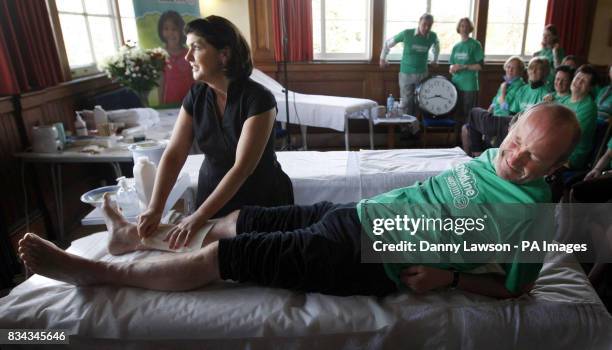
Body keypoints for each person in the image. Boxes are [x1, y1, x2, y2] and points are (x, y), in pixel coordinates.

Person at [18, 103, 581, 298]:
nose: (515, 160)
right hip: (357, 215)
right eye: (514, 143)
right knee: (241, 219)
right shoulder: (487, 157)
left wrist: (451, 281)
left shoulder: (531, 215)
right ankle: (131, 238)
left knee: (228, 259)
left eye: (535, 159)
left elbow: (520, 288)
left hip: (376, 256)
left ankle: (96, 274)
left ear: (555, 169)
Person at [138, 16, 293, 250]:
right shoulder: (197, 95)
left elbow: (241, 169)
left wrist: (198, 216)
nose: (187, 57)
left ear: (224, 54)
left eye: (196, 48)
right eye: (187, 48)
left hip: (259, 200)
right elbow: (174, 153)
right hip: (211, 194)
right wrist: (155, 208)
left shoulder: (258, 99)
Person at [463, 56, 550, 157]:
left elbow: (507, 109)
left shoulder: (544, 93)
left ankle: (477, 153)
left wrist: (503, 94)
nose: (533, 71)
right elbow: (512, 110)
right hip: (511, 122)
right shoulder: (524, 89)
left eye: (538, 69)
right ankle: (476, 155)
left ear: (544, 73)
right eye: (531, 68)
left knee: (474, 112)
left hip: (519, 125)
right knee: (470, 125)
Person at [380, 13, 440, 117]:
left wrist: (435, 60)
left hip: (422, 74)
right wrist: (382, 59)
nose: (426, 28)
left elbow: (437, 47)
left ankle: (415, 128)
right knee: (406, 102)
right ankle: (405, 129)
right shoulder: (407, 34)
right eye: (424, 24)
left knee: (420, 102)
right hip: (406, 74)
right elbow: (388, 43)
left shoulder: (433, 36)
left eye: (429, 25)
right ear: (419, 23)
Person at [558, 64, 599, 170]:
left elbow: (569, 135)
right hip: (555, 147)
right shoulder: (564, 100)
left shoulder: (588, 107)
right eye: (577, 78)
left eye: (584, 81)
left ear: (590, 87)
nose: (578, 82)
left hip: (570, 157)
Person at [449, 17, 484, 127]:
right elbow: (451, 64)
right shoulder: (456, 46)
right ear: (459, 28)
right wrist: (452, 68)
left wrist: (464, 67)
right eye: (462, 26)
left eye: (466, 26)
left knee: (468, 115)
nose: (464, 28)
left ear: (470, 28)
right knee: (456, 114)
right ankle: (455, 141)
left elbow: (480, 66)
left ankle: (467, 140)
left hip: (470, 85)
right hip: (455, 84)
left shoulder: (475, 44)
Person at [158, 10, 194, 105]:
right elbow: (161, 82)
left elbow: (196, 80)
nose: (170, 33)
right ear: (161, 31)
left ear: (181, 31)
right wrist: (161, 103)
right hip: (170, 101)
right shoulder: (160, 55)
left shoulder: (189, 53)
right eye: (166, 28)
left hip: (190, 100)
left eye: (174, 29)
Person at [534, 24, 565, 88]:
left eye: (548, 35)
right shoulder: (542, 51)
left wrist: (555, 52)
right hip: (538, 78)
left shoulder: (559, 51)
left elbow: (559, 68)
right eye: (544, 35)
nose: (544, 37)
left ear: (554, 37)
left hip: (550, 81)